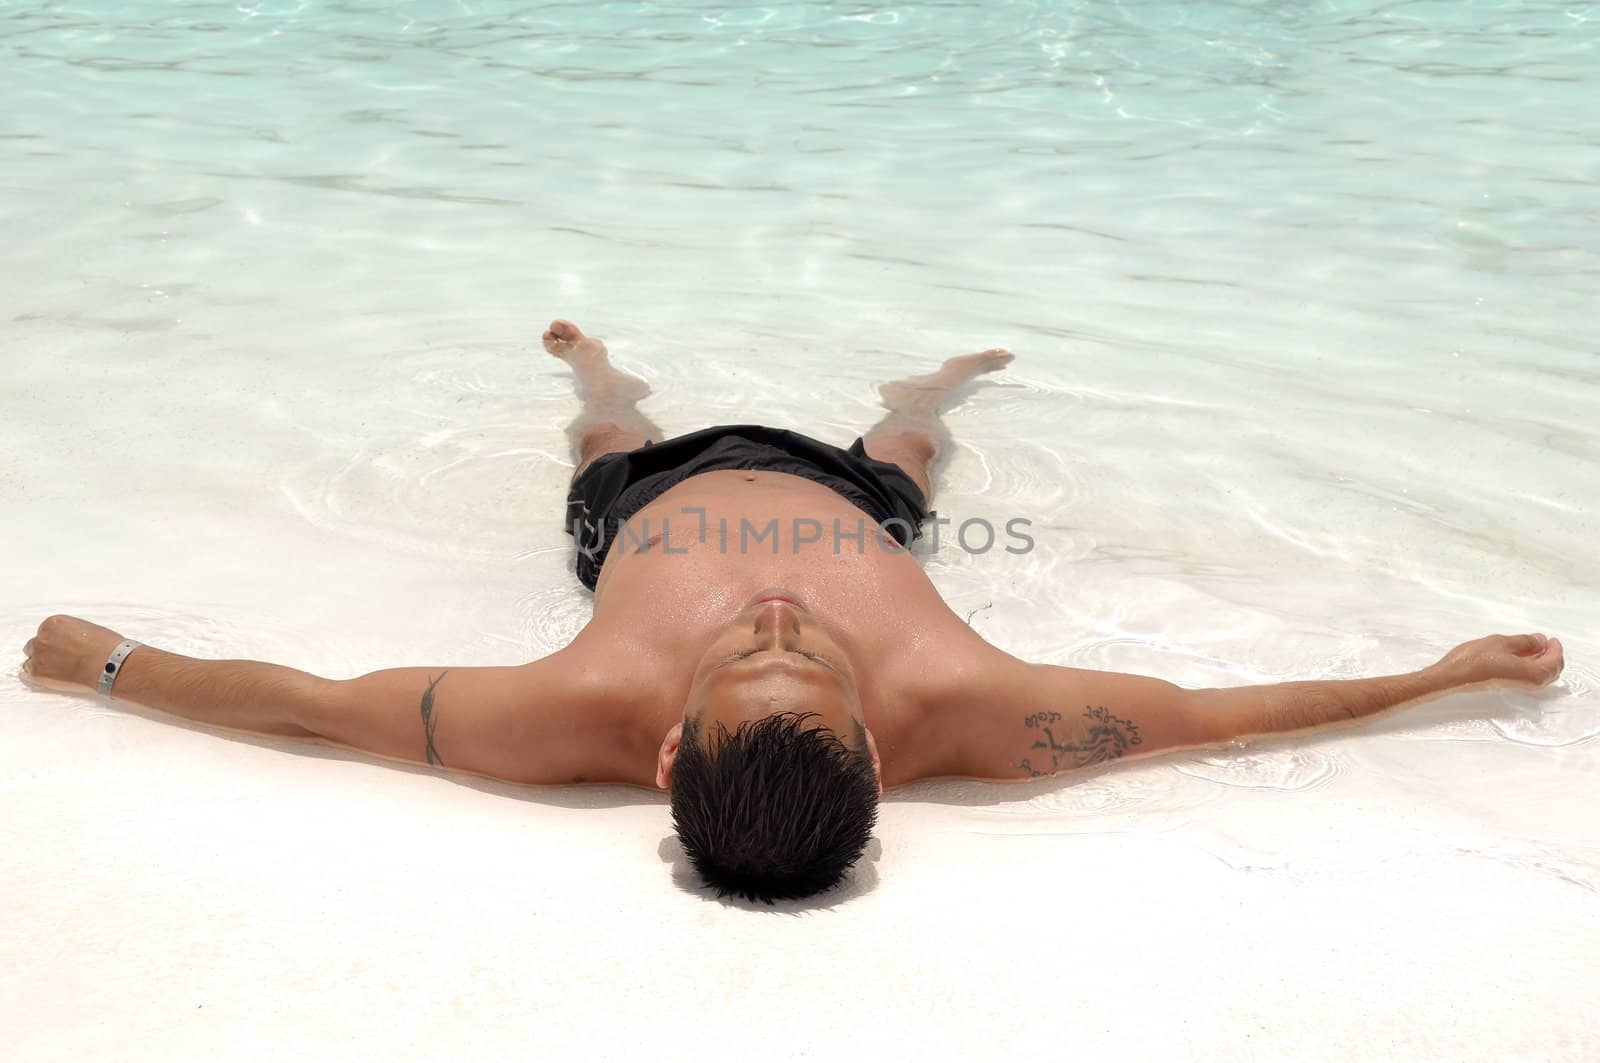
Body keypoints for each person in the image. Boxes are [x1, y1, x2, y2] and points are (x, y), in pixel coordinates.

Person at [21, 319, 1567, 904]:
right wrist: (1435, 674)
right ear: (881, 754)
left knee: (602, 454)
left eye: (742, 676)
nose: (770, 629)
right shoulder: (983, 719)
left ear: (661, 751)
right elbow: (1233, 715)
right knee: (905, 461)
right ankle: (915, 399)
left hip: (642, 512)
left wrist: (116, 667)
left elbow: (315, 703)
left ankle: (603, 388)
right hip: (852, 499)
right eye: (799, 673)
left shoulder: (563, 724)